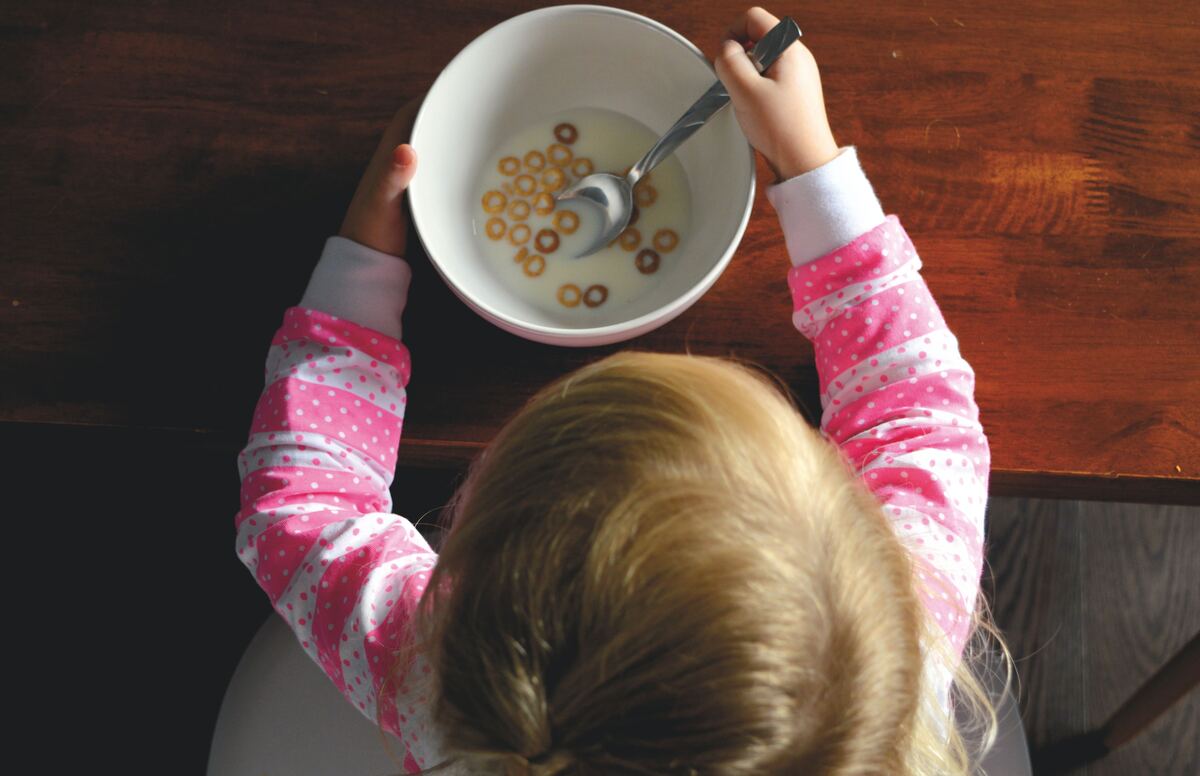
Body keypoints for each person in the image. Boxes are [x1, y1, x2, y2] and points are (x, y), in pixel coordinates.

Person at [234, 7, 1007, 774]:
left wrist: (364, 260)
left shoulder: (436, 670)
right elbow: (916, 412)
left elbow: (302, 509)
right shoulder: (901, 639)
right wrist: (810, 161)